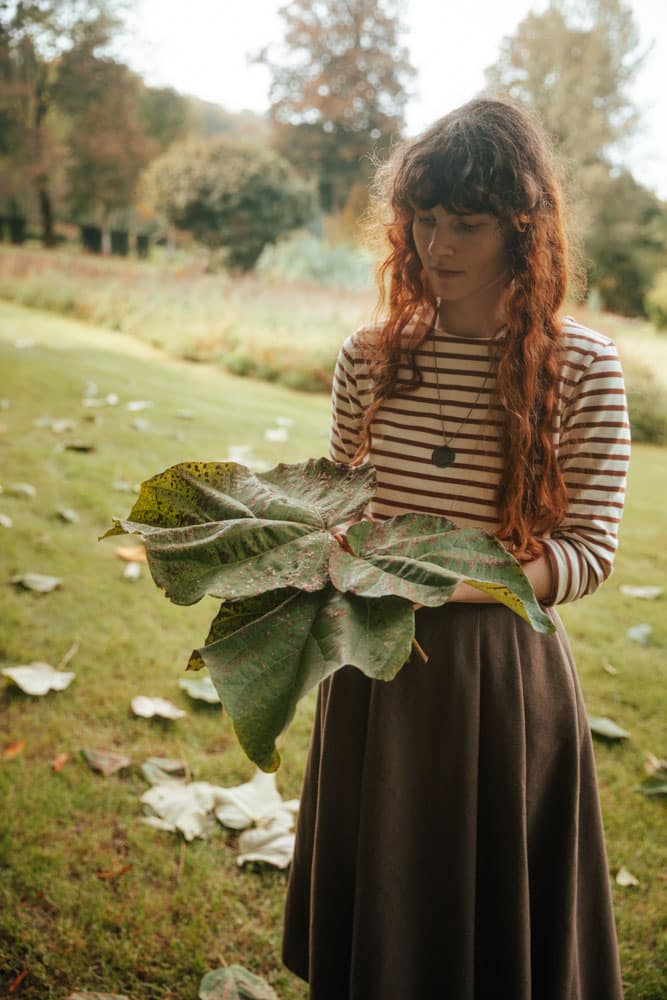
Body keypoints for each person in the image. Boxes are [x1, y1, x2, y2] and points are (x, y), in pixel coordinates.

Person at [282, 97, 629, 1000]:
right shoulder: (371, 355)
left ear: (524, 227)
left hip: (498, 677)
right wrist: (311, 543)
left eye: (464, 223)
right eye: (423, 219)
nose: (437, 244)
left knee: (490, 942)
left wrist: (447, 583)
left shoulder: (583, 367)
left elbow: (587, 550)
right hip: (374, 666)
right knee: (383, 913)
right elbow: (339, 498)